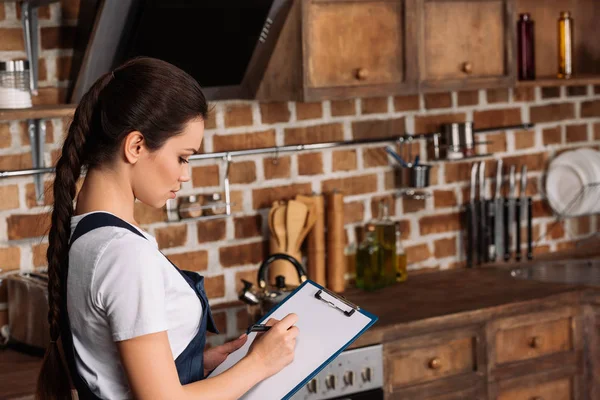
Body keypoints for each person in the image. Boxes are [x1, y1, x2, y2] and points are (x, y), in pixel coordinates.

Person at [36, 57, 299, 400]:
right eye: (182, 157)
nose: (185, 174)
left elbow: (116, 373)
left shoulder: (86, 235)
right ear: (136, 146)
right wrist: (260, 363)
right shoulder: (123, 254)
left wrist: (194, 365)